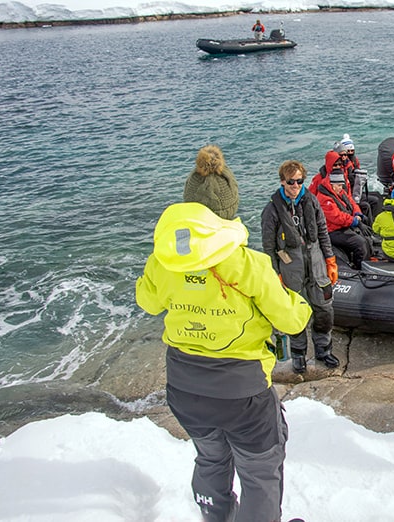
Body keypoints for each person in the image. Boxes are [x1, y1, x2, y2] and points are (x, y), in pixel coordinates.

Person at [135, 145, 313, 521]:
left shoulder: (164, 259)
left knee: (211, 458)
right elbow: (292, 320)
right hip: (242, 393)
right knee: (260, 469)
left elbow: (148, 301)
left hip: (183, 387)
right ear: (228, 209)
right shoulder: (247, 262)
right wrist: (301, 301)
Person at [261, 160, 340, 374]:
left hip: (316, 265)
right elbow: (268, 245)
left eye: (299, 181)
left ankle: (323, 350)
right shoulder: (272, 210)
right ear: (282, 182)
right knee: (295, 313)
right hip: (291, 270)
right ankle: (298, 354)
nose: (295, 186)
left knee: (324, 310)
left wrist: (330, 260)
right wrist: (275, 273)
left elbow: (323, 231)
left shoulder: (311, 201)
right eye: (291, 182)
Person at [315, 150, 371, 270]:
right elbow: (336, 216)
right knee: (360, 244)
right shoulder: (324, 197)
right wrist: (354, 221)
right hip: (333, 230)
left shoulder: (339, 190)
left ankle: (366, 263)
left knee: (365, 239)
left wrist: (357, 213)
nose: (342, 188)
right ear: (332, 185)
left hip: (343, 225)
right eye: (339, 186)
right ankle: (360, 270)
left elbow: (350, 200)